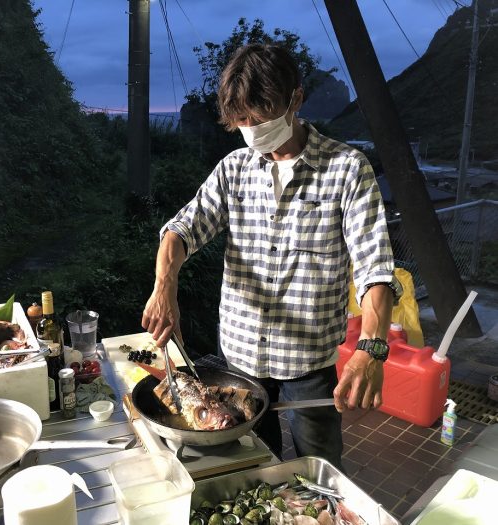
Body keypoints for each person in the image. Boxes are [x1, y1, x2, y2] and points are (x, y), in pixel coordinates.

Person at [141, 43, 401, 469]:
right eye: (241, 121)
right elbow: (180, 230)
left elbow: (375, 267)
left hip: (308, 363)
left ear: (295, 99)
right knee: (250, 466)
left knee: (319, 469)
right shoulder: (234, 169)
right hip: (240, 360)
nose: (251, 130)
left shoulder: (347, 169)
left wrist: (371, 347)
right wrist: (164, 287)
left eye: (260, 119)